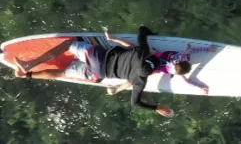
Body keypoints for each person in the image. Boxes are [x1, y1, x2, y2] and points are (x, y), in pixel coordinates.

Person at [11, 27, 179, 117]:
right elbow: (135, 102)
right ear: (150, 72)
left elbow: (142, 31)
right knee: (60, 74)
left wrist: (114, 38)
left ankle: (30, 64)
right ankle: (27, 75)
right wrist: (156, 108)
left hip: (96, 56)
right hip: (96, 73)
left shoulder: (141, 52)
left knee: (68, 44)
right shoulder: (139, 81)